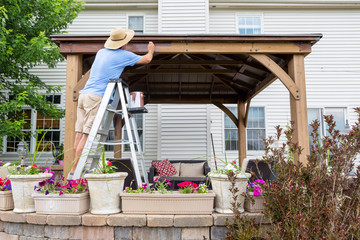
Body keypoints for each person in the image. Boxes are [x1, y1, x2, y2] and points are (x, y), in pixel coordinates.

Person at [69, 27, 155, 178]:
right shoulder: (122, 55)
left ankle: (73, 167)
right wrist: (151, 50)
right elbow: (147, 59)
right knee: (86, 135)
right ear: (124, 43)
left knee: (79, 134)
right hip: (96, 97)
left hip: (84, 95)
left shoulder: (101, 52)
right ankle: (75, 169)